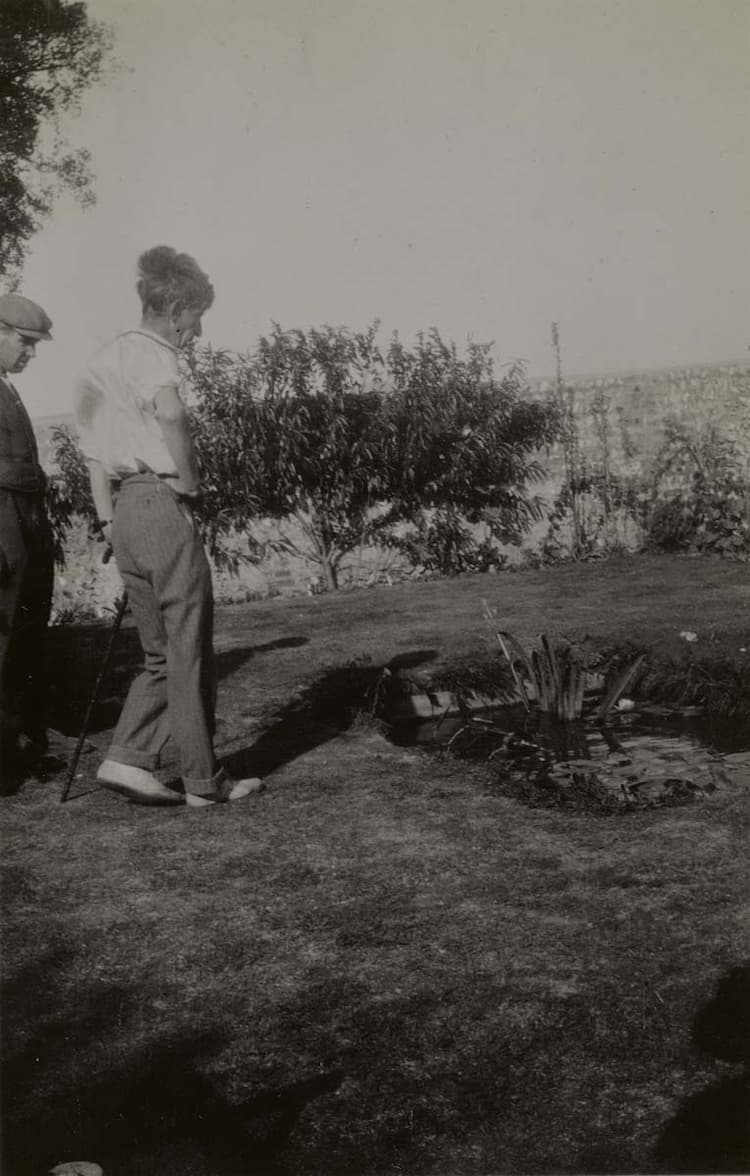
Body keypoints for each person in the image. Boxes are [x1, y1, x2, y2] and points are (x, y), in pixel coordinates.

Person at [74, 246, 263, 807]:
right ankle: (205, 782)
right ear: (176, 308)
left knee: (159, 652)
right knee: (188, 647)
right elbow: (172, 413)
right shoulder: (154, 352)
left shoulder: (101, 360)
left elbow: (93, 455)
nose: (197, 331)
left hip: (123, 513)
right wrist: (189, 478)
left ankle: (126, 758)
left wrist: (108, 519)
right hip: (158, 501)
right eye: (196, 317)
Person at [0, 293, 55, 790]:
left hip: (24, 529)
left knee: (23, 641)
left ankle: (20, 745)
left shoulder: (7, 388)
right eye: (25, 341)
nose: (31, 353)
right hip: (4, 536)